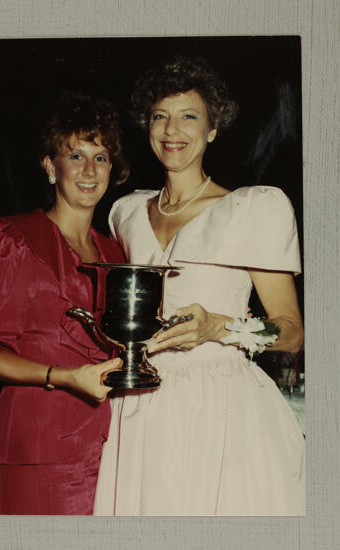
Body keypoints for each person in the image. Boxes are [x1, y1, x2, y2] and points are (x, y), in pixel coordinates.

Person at [94, 56, 305, 516]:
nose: (173, 130)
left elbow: (289, 331)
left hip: (223, 409)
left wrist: (218, 328)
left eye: (189, 116)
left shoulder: (254, 209)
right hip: (139, 407)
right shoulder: (124, 214)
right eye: (160, 116)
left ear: (212, 129)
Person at [0, 92, 128, 515]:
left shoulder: (116, 253)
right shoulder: (11, 238)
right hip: (35, 445)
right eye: (75, 155)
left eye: (100, 157)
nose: (89, 170)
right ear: (50, 166)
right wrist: (62, 376)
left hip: (111, 446)